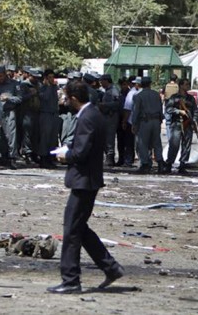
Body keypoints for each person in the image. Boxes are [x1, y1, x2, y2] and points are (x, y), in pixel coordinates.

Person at [48, 80, 124, 294]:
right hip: (87, 179)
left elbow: (82, 153)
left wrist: (66, 155)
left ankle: (71, 279)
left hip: (84, 180)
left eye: (66, 97)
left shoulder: (88, 117)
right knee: (78, 227)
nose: (65, 101)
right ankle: (110, 267)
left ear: (73, 98)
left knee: (72, 230)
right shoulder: (94, 114)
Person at [131, 77, 165, 174]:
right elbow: (160, 108)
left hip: (144, 121)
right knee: (157, 143)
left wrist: (134, 123)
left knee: (143, 143)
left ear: (141, 84)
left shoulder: (139, 96)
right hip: (156, 121)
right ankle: (160, 163)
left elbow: (136, 111)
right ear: (150, 84)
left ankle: (145, 164)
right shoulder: (156, 95)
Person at [164, 78, 196, 174]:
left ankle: (183, 164)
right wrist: (179, 111)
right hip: (177, 123)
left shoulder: (191, 98)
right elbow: (168, 109)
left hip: (187, 124)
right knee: (174, 145)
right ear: (181, 85)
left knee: (186, 145)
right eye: (186, 84)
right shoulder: (174, 98)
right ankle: (169, 163)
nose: (187, 86)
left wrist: (194, 121)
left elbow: (195, 111)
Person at [0, 66, 22, 170]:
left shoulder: (14, 84)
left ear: (5, 74)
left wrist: (8, 98)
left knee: (11, 136)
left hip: (9, 112)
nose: (0, 78)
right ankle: (2, 157)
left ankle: (12, 158)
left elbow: (19, 98)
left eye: (1, 75)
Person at [19, 68, 42, 165]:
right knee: (27, 134)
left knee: (36, 134)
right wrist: (30, 94)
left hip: (37, 112)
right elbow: (20, 98)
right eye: (34, 77)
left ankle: (34, 153)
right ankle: (27, 154)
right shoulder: (24, 85)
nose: (36, 79)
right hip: (27, 112)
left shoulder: (39, 85)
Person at [98, 74, 120, 166]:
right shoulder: (107, 91)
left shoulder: (113, 90)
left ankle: (110, 158)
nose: (101, 83)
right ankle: (108, 156)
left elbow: (117, 103)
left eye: (102, 81)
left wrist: (104, 105)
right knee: (105, 137)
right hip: (106, 116)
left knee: (110, 137)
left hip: (111, 117)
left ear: (106, 81)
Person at [121, 76, 142, 167]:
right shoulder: (144, 93)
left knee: (129, 143)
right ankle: (143, 161)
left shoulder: (131, 93)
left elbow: (128, 109)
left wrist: (124, 121)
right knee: (141, 142)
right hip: (142, 121)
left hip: (131, 121)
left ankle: (129, 161)